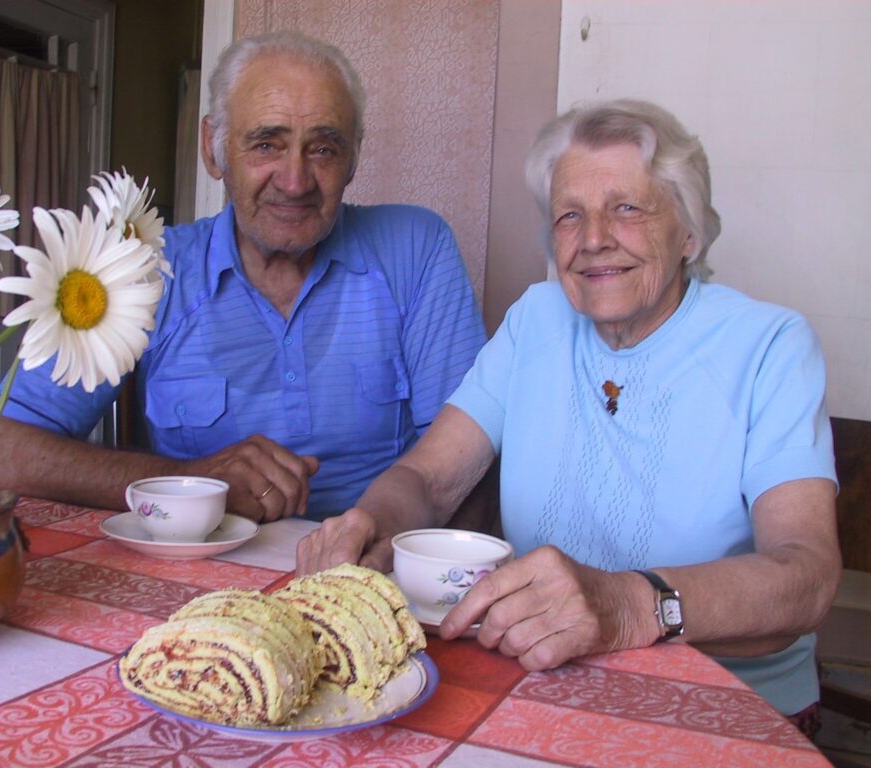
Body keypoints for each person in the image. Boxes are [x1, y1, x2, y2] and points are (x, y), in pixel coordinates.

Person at [297, 99, 841, 732]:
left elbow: (805, 575)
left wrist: (631, 607)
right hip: (538, 683)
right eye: (569, 215)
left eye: (628, 208)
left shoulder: (770, 345)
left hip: (724, 710)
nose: (593, 239)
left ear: (689, 232)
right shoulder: (537, 318)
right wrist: (371, 522)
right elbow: (428, 478)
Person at [0, 31, 486, 523]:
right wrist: (191, 482)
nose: (294, 180)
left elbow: (471, 463)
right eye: (266, 144)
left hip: (374, 571)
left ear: (353, 158)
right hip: (200, 580)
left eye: (324, 148)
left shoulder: (416, 248)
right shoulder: (144, 267)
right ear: (213, 149)